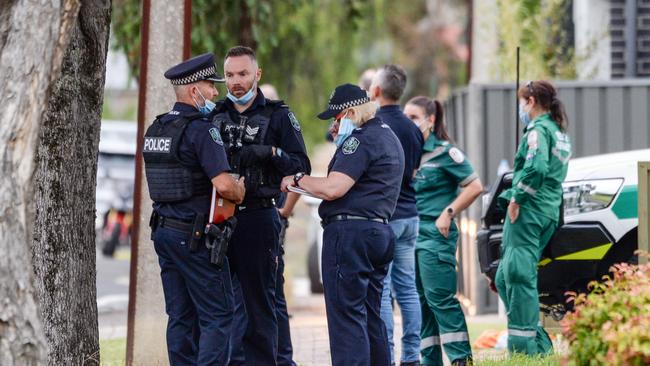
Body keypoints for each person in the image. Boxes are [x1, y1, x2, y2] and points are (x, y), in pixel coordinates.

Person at [281, 83, 405, 366]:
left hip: (350, 237)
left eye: (336, 120)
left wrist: (296, 181)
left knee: (346, 320)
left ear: (349, 112)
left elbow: (334, 188)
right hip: (379, 233)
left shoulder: (360, 140)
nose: (334, 128)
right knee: (371, 317)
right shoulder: (389, 136)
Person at [142, 53, 246, 365]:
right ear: (193, 90)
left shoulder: (157, 129)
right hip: (194, 236)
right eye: (209, 86)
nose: (216, 92)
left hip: (164, 232)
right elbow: (225, 186)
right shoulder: (202, 130)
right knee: (218, 315)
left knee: (180, 316)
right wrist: (240, 189)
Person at [210, 46, 311, 365]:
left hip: (258, 217)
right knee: (221, 306)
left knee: (259, 306)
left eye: (242, 74)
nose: (236, 81)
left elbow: (301, 166)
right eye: (229, 75)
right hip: (220, 219)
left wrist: (271, 153)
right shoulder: (214, 114)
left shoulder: (278, 115)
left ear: (257, 74)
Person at [405, 96, 483, 366]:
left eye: (414, 117)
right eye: (406, 118)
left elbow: (474, 186)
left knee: (440, 298)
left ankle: (462, 359)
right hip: (411, 234)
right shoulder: (408, 152)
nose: (409, 123)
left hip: (435, 234)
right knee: (421, 303)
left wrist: (448, 213)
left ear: (431, 119)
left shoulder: (445, 152)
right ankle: (430, 361)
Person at [495, 80, 571, 355]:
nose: (520, 107)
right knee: (505, 277)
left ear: (531, 102)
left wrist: (517, 199)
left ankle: (526, 348)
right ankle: (536, 336)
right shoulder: (558, 131)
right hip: (547, 211)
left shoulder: (538, 130)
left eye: (522, 101)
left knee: (518, 276)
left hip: (530, 211)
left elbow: (536, 168)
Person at [229, 82, 299, 366]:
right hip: (235, 218)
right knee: (242, 299)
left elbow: (297, 170)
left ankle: (281, 359)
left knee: (267, 299)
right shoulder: (224, 117)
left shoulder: (279, 121)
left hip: (264, 216)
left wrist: (284, 213)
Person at [368, 64, 423, 366]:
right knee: (408, 288)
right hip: (410, 215)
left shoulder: (375, 125)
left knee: (383, 290)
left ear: (376, 91)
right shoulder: (413, 129)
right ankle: (412, 356)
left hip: (385, 216)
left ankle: (386, 354)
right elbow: (413, 171)